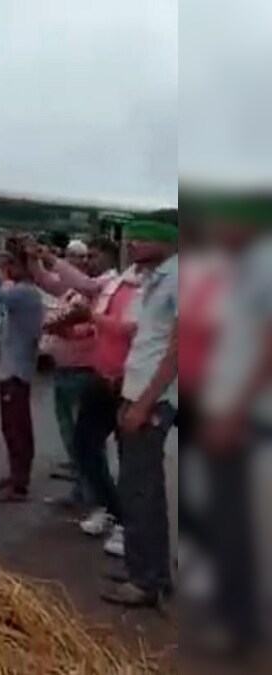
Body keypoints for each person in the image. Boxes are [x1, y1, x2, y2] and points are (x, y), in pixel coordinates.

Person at [198, 195, 272, 657]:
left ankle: (240, 623)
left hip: (244, 417)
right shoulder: (241, 269)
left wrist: (233, 415)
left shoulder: (261, 269)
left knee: (235, 519)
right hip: (231, 408)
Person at [94, 216, 179, 610]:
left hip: (153, 401)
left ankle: (146, 581)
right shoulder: (156, 278)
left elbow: (181, 350)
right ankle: (149, 570)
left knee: (140, 490)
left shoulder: (180, 279)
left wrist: (144, 403)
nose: (132, 244)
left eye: (142, 237)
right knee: (142, 489)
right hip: (137, 393)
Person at [31, 235, 134, 555]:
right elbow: (68, 287)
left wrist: (85, 320)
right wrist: (40, 259)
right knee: (85, 446)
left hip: (127, 382)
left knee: (129, 457)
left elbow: (123, 327)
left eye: (92, 255)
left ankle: (126, 523)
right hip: (101, 377)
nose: (86, 261)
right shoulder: (116, 284)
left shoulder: (122, 283)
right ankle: (109, 507)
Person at [0, 245, 45, 502]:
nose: (6, 270)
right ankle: (16, 475)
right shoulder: (24, 291)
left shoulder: (23, 292)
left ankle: (19, 484)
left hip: (16, 371)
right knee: (13, 428)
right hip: (14, 367)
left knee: (16, 428)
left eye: (9, 265)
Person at [45, 240, 96, 497]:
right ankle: (80, 486)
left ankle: (88, 491)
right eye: (73, 256)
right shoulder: (67, 290)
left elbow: (91, 329)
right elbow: (46, 283)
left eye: (83, 257)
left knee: (81, 435)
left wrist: (64, 329)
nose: (79, 261)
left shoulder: (94, 291)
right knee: (68, 432)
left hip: (81, 372)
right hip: (62, 369)